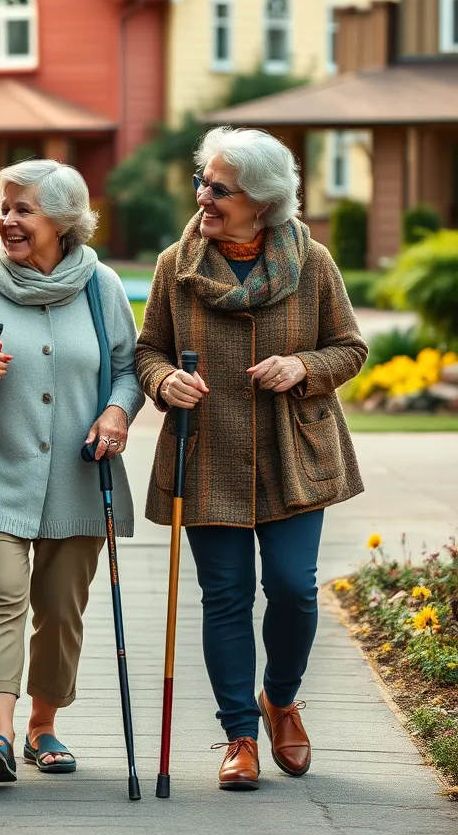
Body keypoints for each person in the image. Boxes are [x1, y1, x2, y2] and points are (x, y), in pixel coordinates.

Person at [135, 126, 368, 791]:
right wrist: (161, 382)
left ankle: (281, 698)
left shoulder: (313, 262)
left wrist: (302, 364)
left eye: (218, 188)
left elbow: (350, 347)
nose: (202, 196)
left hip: (296, 453)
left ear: (262, 203)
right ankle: (239, 733)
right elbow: (148, 349)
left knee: (294, 588)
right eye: (202, 181)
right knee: (226, 597)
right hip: (208, 452)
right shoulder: (174, 269)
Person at [0, 159, 143, 783]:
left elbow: (129, 369)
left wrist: (115, 412)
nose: (7, 219)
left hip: (80, 475)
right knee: (1, 597)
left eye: (23, 209)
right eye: (4, 206)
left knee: (60, 608)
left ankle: (43, 726)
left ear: (62, 220)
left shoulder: (100, 285)